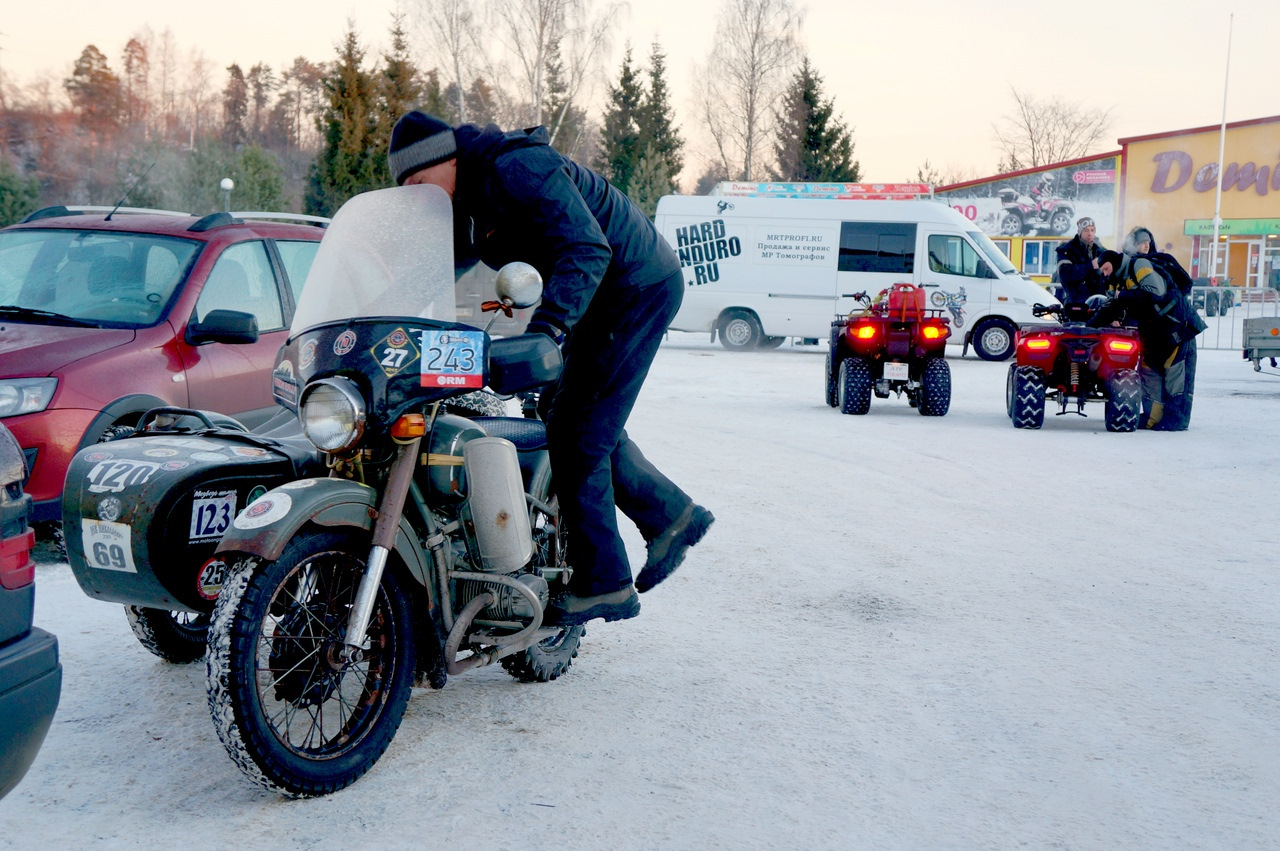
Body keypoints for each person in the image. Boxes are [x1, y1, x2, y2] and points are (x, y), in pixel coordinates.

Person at [387, 110, 714, 625]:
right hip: (600, 295)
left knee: (579, 433)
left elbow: (587, 246)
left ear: (444, 159)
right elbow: (433, 275)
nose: (415, 195)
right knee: (568, 415)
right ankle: (671, 516)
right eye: (404, 188)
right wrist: (386, 318)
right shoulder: (462, 204)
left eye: (418, 180)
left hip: (635, 286)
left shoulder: (513, 167)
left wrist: (551, 329)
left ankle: (604, 584)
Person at [1094, 226, 1198, 430]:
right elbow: (1109, 309)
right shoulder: (1117, 282)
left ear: (1114, 263)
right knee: (1150, 373)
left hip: (1176, 329)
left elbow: (1155, 293)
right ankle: (1152, 418)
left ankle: (1176, 420)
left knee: (1175, 376)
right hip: (1152, 333)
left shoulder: (1140, 265)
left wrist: (1122, 296)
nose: (1104, 274)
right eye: (1102, 271)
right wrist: (1086, 327)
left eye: (1106, 269)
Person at [1054, 217, 1108, 306]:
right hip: (1076, 304)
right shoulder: (1067, 250)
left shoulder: (1100, 250)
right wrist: (1090, 265)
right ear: (1080, 231)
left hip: (1099, 303)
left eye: (1092, 230)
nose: (1090, 233)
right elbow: (1065, 274)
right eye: (1086, 230)